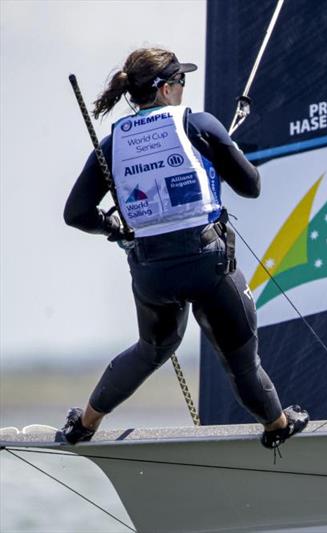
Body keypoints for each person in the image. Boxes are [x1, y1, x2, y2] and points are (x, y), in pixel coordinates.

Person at [61, 48, 308, 448]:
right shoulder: (198, 124)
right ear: (163, 89)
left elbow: (76, 213)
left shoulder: (112, 144)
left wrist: (115, 228)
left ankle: (84, 424)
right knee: (241, 360)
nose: (182, 91)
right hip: (208, 265)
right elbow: (251, 186)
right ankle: (278, 425)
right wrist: (223, 152)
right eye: (180, 83)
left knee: (151, 349)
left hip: (152, 272)